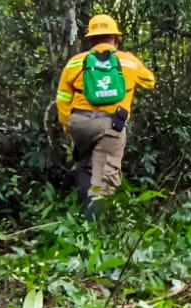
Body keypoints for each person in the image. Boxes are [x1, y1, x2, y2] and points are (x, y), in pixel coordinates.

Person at [56, 14, 155, 220]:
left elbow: (62, 98)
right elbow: (150, 81)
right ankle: (95, 232)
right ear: (115, 39)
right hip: (111, 125)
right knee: (104, 181)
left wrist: (67, 125)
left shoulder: (75, 63)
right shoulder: (127, 62)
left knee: (84, 167)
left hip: (79, 123)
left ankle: (84, 217)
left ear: (91, 40)